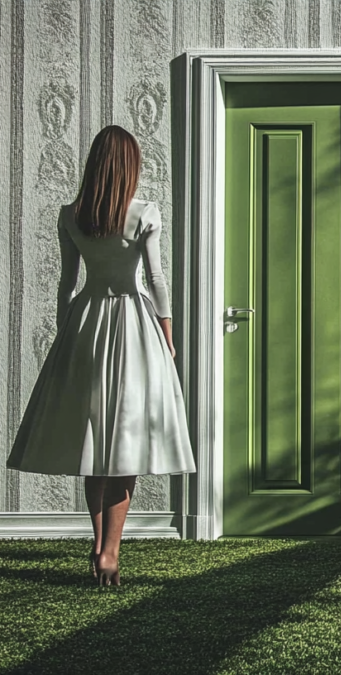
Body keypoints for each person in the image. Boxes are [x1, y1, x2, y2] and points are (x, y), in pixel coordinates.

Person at [6, 125, 196, 587]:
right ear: (129, 165)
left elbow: (66, 283)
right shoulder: (144, 213)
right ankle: (110, 550)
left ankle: (97, 545)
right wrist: (167, 334)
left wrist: (65, 331)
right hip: (133, 324)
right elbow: (156, 281)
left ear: (95, 163)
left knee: (95, 442)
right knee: (125, 440)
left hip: (86, 323)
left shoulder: (71, 214)